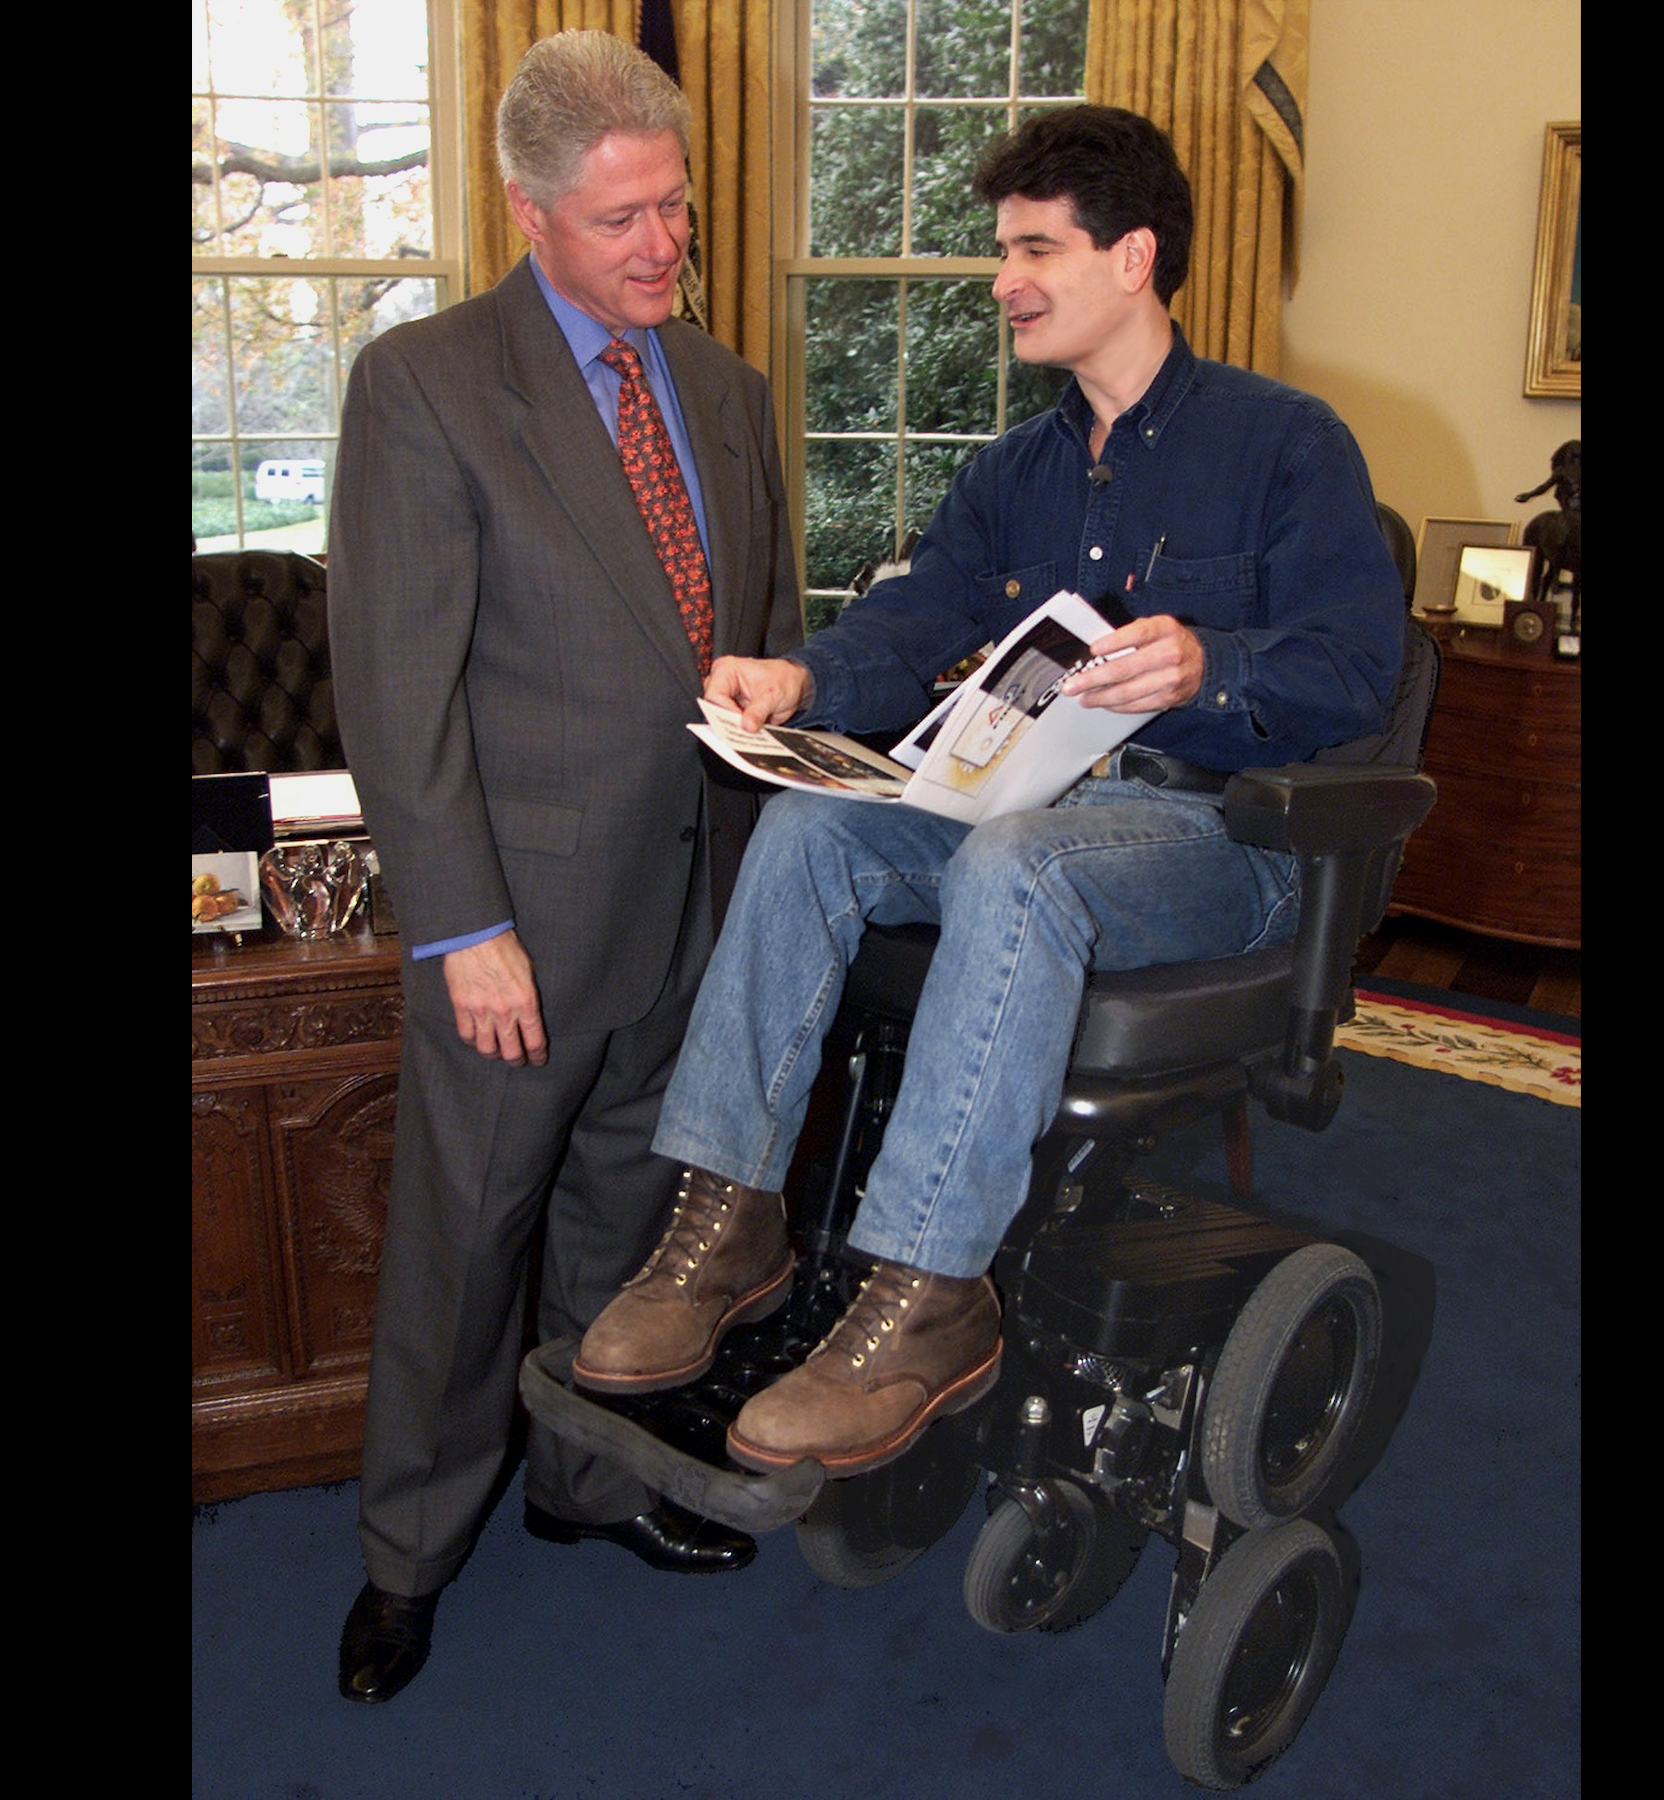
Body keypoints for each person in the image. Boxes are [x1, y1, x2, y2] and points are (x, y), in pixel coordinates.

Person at [573, 103, 1406, 1480]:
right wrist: (801, 680)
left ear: (1132, 258)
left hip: (1219, 833)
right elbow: (910, 629)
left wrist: (1212, 661)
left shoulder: (1287, 445)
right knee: (810, 829)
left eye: (1034, 248)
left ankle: (923, 1292)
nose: (1003, 278)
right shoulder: (1017, 470)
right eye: (1001, 249)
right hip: (1023, 810)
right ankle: (727, 1224)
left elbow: (1355, 675)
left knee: (1015, 862)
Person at [326, 29, 803, 1705]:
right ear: (531, 213)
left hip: (699, 903)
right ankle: (407, 1555)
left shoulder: (733, 392)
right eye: (622, 222)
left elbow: (771, 641)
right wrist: (462, 923)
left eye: (675, 207)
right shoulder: (431, 384)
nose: (663, 245)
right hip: (518, 924)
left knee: (632, 1225)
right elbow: (396, 685)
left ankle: (588, 1486)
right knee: (466, 1251)